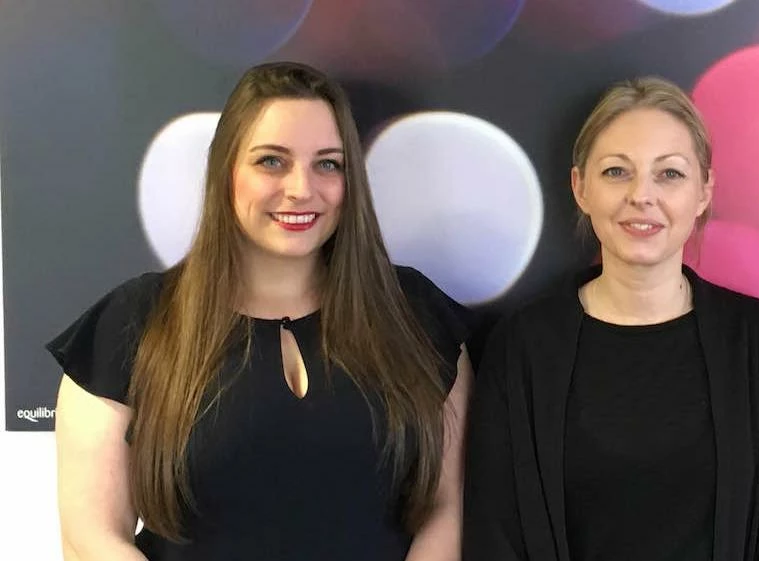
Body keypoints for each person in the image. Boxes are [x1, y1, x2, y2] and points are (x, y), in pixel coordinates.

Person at [48, 61, 472, 560]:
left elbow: (449, 509)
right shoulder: (132, 323)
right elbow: (91, 535)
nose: (300, 189)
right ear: (226, 169)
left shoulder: (415, 315)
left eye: (327, 164)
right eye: (272, 161)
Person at [463, 76, 759, 561]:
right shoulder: (522, 349)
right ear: (580, 188)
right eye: (616, 172)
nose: (641, 196)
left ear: (703, 191)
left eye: (669, 174)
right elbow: (495, 538)